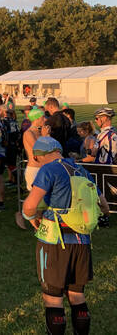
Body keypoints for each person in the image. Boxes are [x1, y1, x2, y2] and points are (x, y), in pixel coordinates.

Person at [22, 137, 110, 335]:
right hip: (82, 240)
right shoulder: (81, 170)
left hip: (54, 241)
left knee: (53, 297)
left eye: (37, 158)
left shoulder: (48, 170)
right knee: (77, 294)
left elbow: (29, 205)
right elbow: (103, 205)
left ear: (43, 155)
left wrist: (30, 217)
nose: (37, 162)